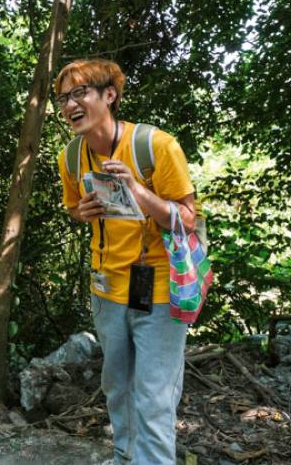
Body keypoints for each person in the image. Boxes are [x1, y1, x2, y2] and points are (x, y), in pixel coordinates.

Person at [55, 59, 196, 464]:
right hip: (107, 290)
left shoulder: (154, 146)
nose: (70, 104)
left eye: (80, 92)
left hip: (159, 291)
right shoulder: (71, 157)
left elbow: (187, 220)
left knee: (152, 395)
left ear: (109, 95)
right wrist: (81, 212)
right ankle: (124, 457)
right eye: (64, 97)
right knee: (117, 386)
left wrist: (138, 189)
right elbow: (73, 208)